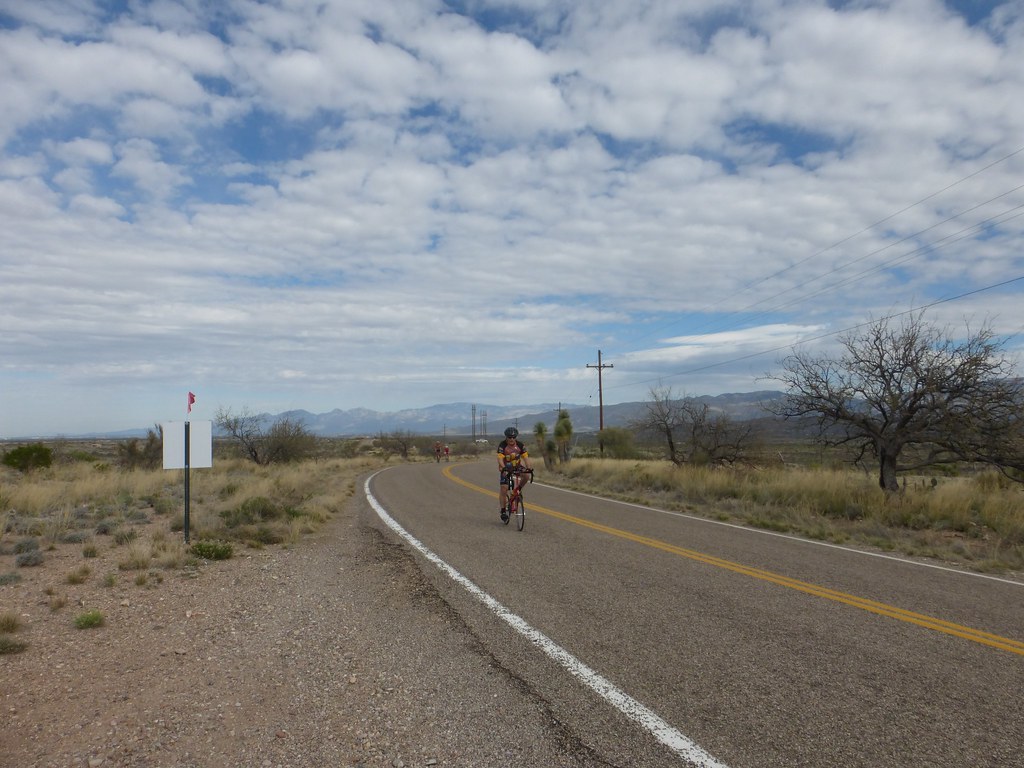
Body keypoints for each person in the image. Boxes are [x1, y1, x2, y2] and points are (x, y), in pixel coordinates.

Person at [497, 426, 533, 522]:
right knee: (504, 488)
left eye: (514, 437)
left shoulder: (520, 445)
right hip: (505, 467)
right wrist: (503, 467)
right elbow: (500, 458)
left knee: (526, 475)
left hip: (517, 466)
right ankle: (503, 511)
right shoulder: (502, 445)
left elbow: (526, 458)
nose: (512, 439)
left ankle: (517, 490)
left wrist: (529, 467)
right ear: (506, 437)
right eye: (509, 437)